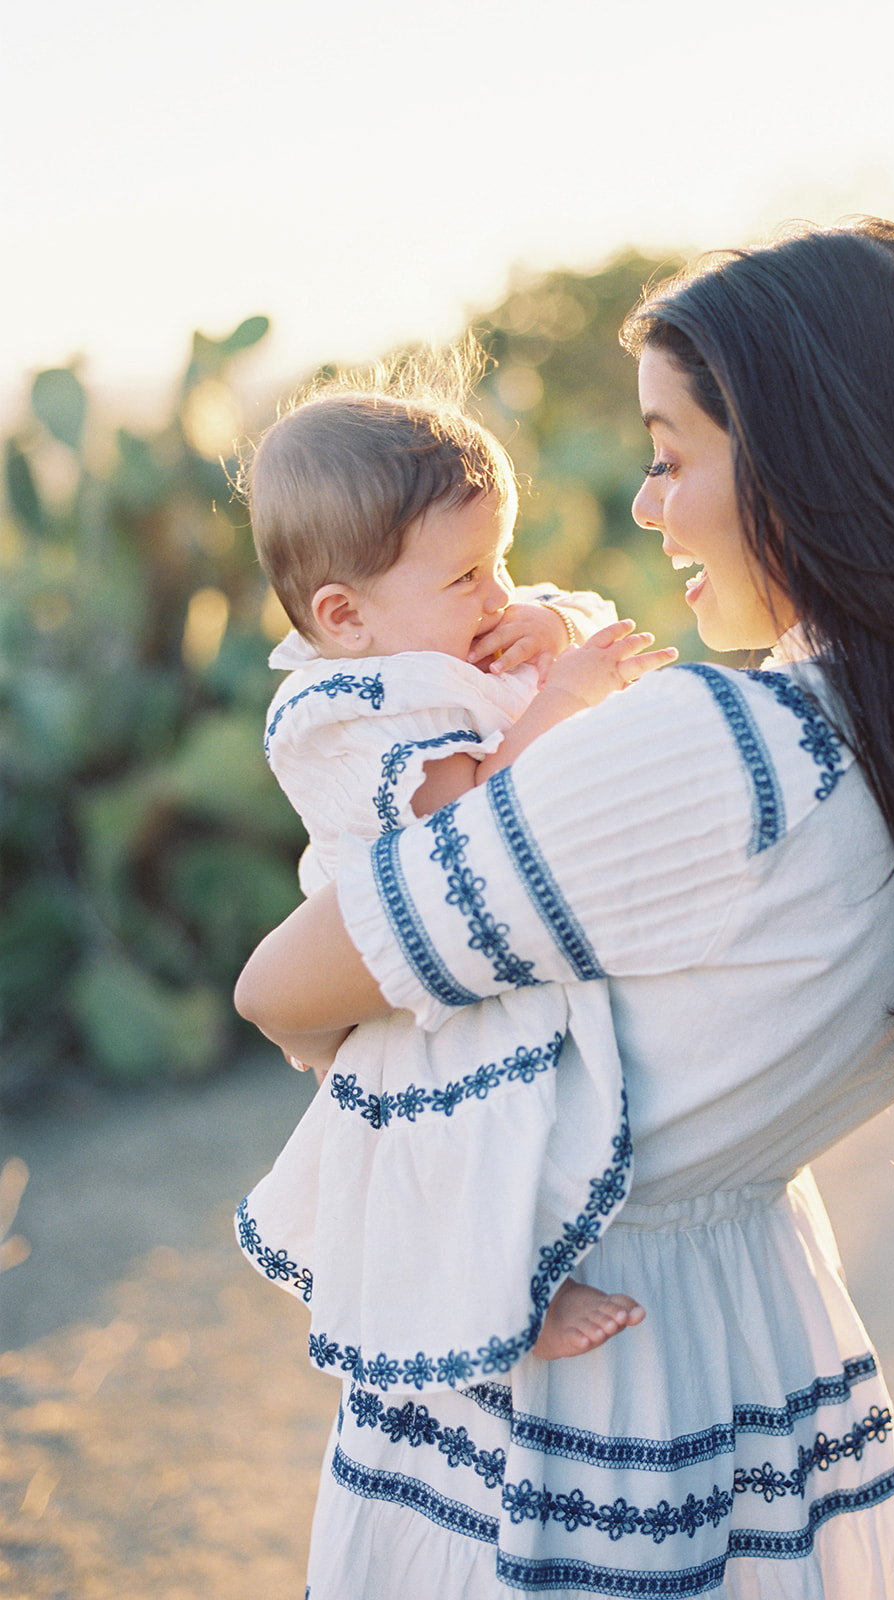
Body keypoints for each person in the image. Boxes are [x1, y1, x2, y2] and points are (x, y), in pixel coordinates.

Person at [234, 218, 894, 1600]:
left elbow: (279, 989)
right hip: (755, 1349)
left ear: (807, 470)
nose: (648, 506)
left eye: (670, 456)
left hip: (567, 1415)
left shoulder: (710, 751)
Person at [235, 376, 674, 1375]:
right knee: (474, 1126)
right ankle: (515, 1297)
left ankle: (551, 1257)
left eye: (501, 560)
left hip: (495, 928)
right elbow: (471, 809)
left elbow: (546, 616)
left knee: (543, 1106)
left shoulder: (438, 633)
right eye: (469, 575)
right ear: (343, 615)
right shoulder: (351, 708)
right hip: (416, 960)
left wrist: (551, 631)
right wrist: (562, 695)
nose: (498, 594)